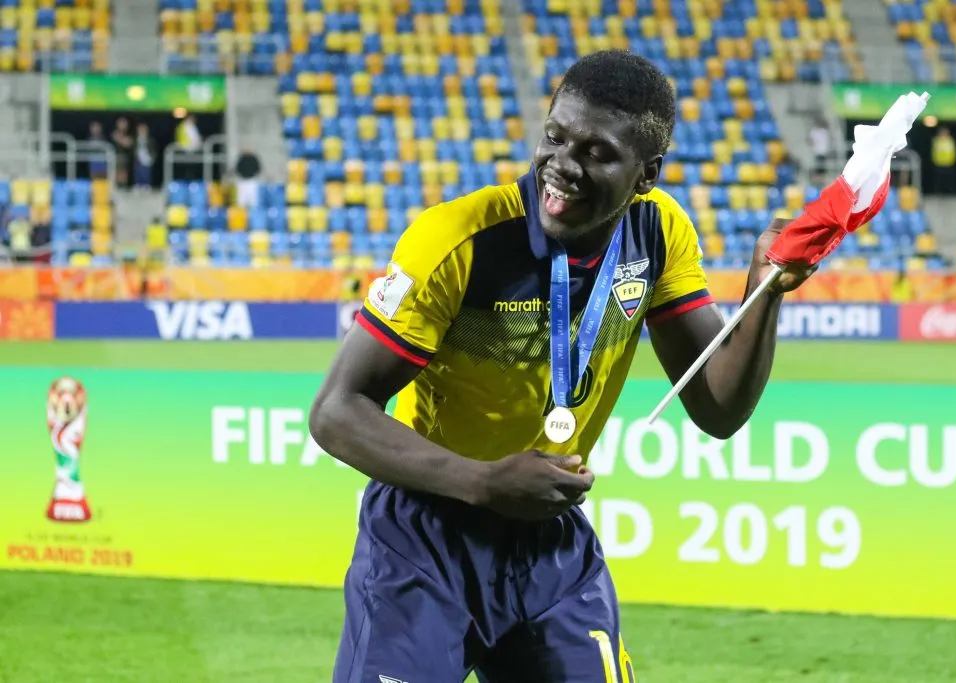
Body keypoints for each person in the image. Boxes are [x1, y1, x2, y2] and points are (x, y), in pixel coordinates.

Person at [308, 50, 815, 683]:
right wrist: (483, 482)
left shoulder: (657, 235)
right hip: (426, 533)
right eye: (555, 137)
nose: (562, 166)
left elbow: (717, 408)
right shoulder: (459, 239)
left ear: (646, 174)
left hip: (550, 543)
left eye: (597, 152)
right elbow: (336, 411)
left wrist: (763, 292)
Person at [930, 126, 956, 196]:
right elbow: (934, 152)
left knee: (950, 180)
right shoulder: (936, 140)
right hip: (939, 163)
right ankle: (937, 192)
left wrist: (952, 161)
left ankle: (950, 192)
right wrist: (935, 161)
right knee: (938, 180)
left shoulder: (951, 140)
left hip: (949, 163)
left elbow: (953, 151)